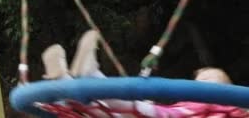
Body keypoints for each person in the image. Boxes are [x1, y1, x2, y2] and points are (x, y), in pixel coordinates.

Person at [41, 30, 249, 118]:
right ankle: (70, 83)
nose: (203, 85)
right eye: (199, 81)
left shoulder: (234, 110)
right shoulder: (189, 106)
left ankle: (88, 80)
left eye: (211, 80)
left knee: (134, 110)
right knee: (118, 114)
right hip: (162, 115)